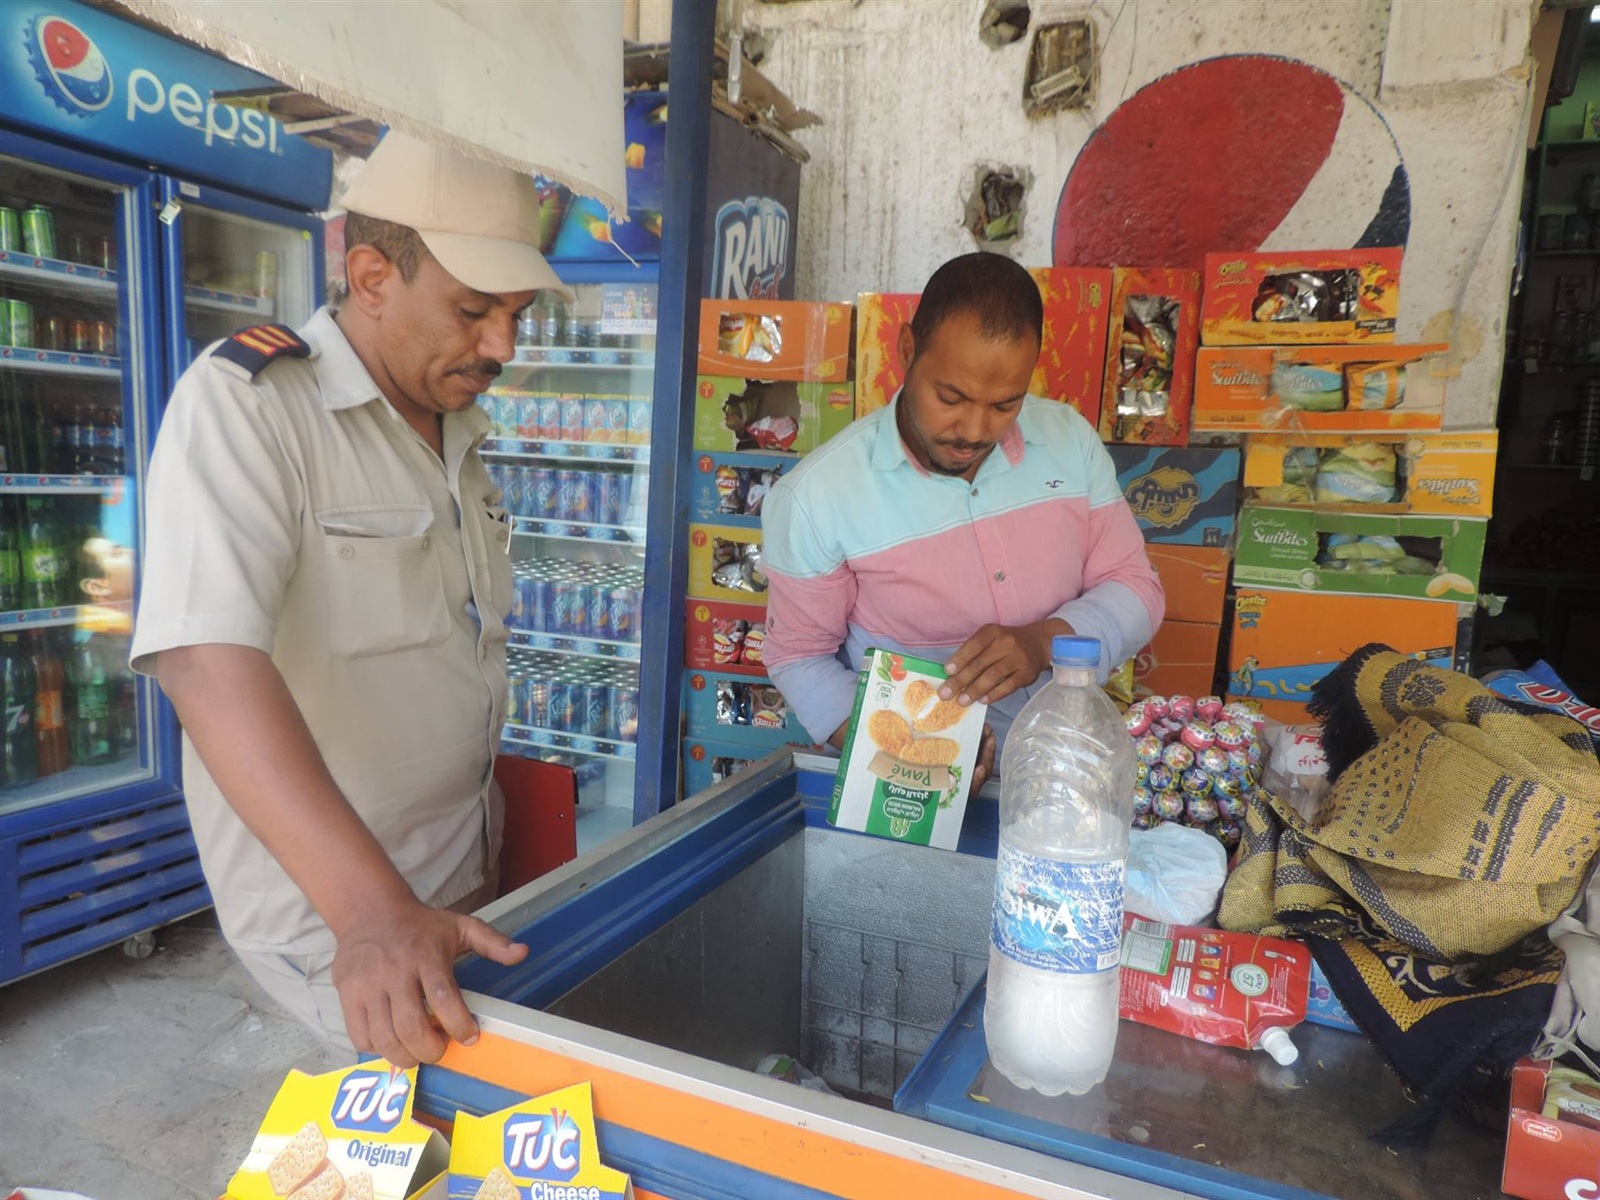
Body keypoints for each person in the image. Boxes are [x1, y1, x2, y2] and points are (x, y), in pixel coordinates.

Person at [131, 132, 570, 1066]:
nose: (503, 345)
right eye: (474, 310)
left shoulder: (455, 426)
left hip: (457, 880)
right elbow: (204, 659)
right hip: (344, 932)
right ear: (371, 278)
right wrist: (373, 912)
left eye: (518, 314)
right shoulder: (251, 404)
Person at [761, 252, 1165, 790]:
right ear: (908, 350)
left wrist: (1044, 641)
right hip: (907, 787)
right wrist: (910, 757)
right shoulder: (817, 496)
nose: (975, 431)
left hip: (1065, 775)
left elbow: (1136, 586)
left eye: (1005, 405)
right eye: (951, 397)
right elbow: (799, 657)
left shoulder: (1069, 443)